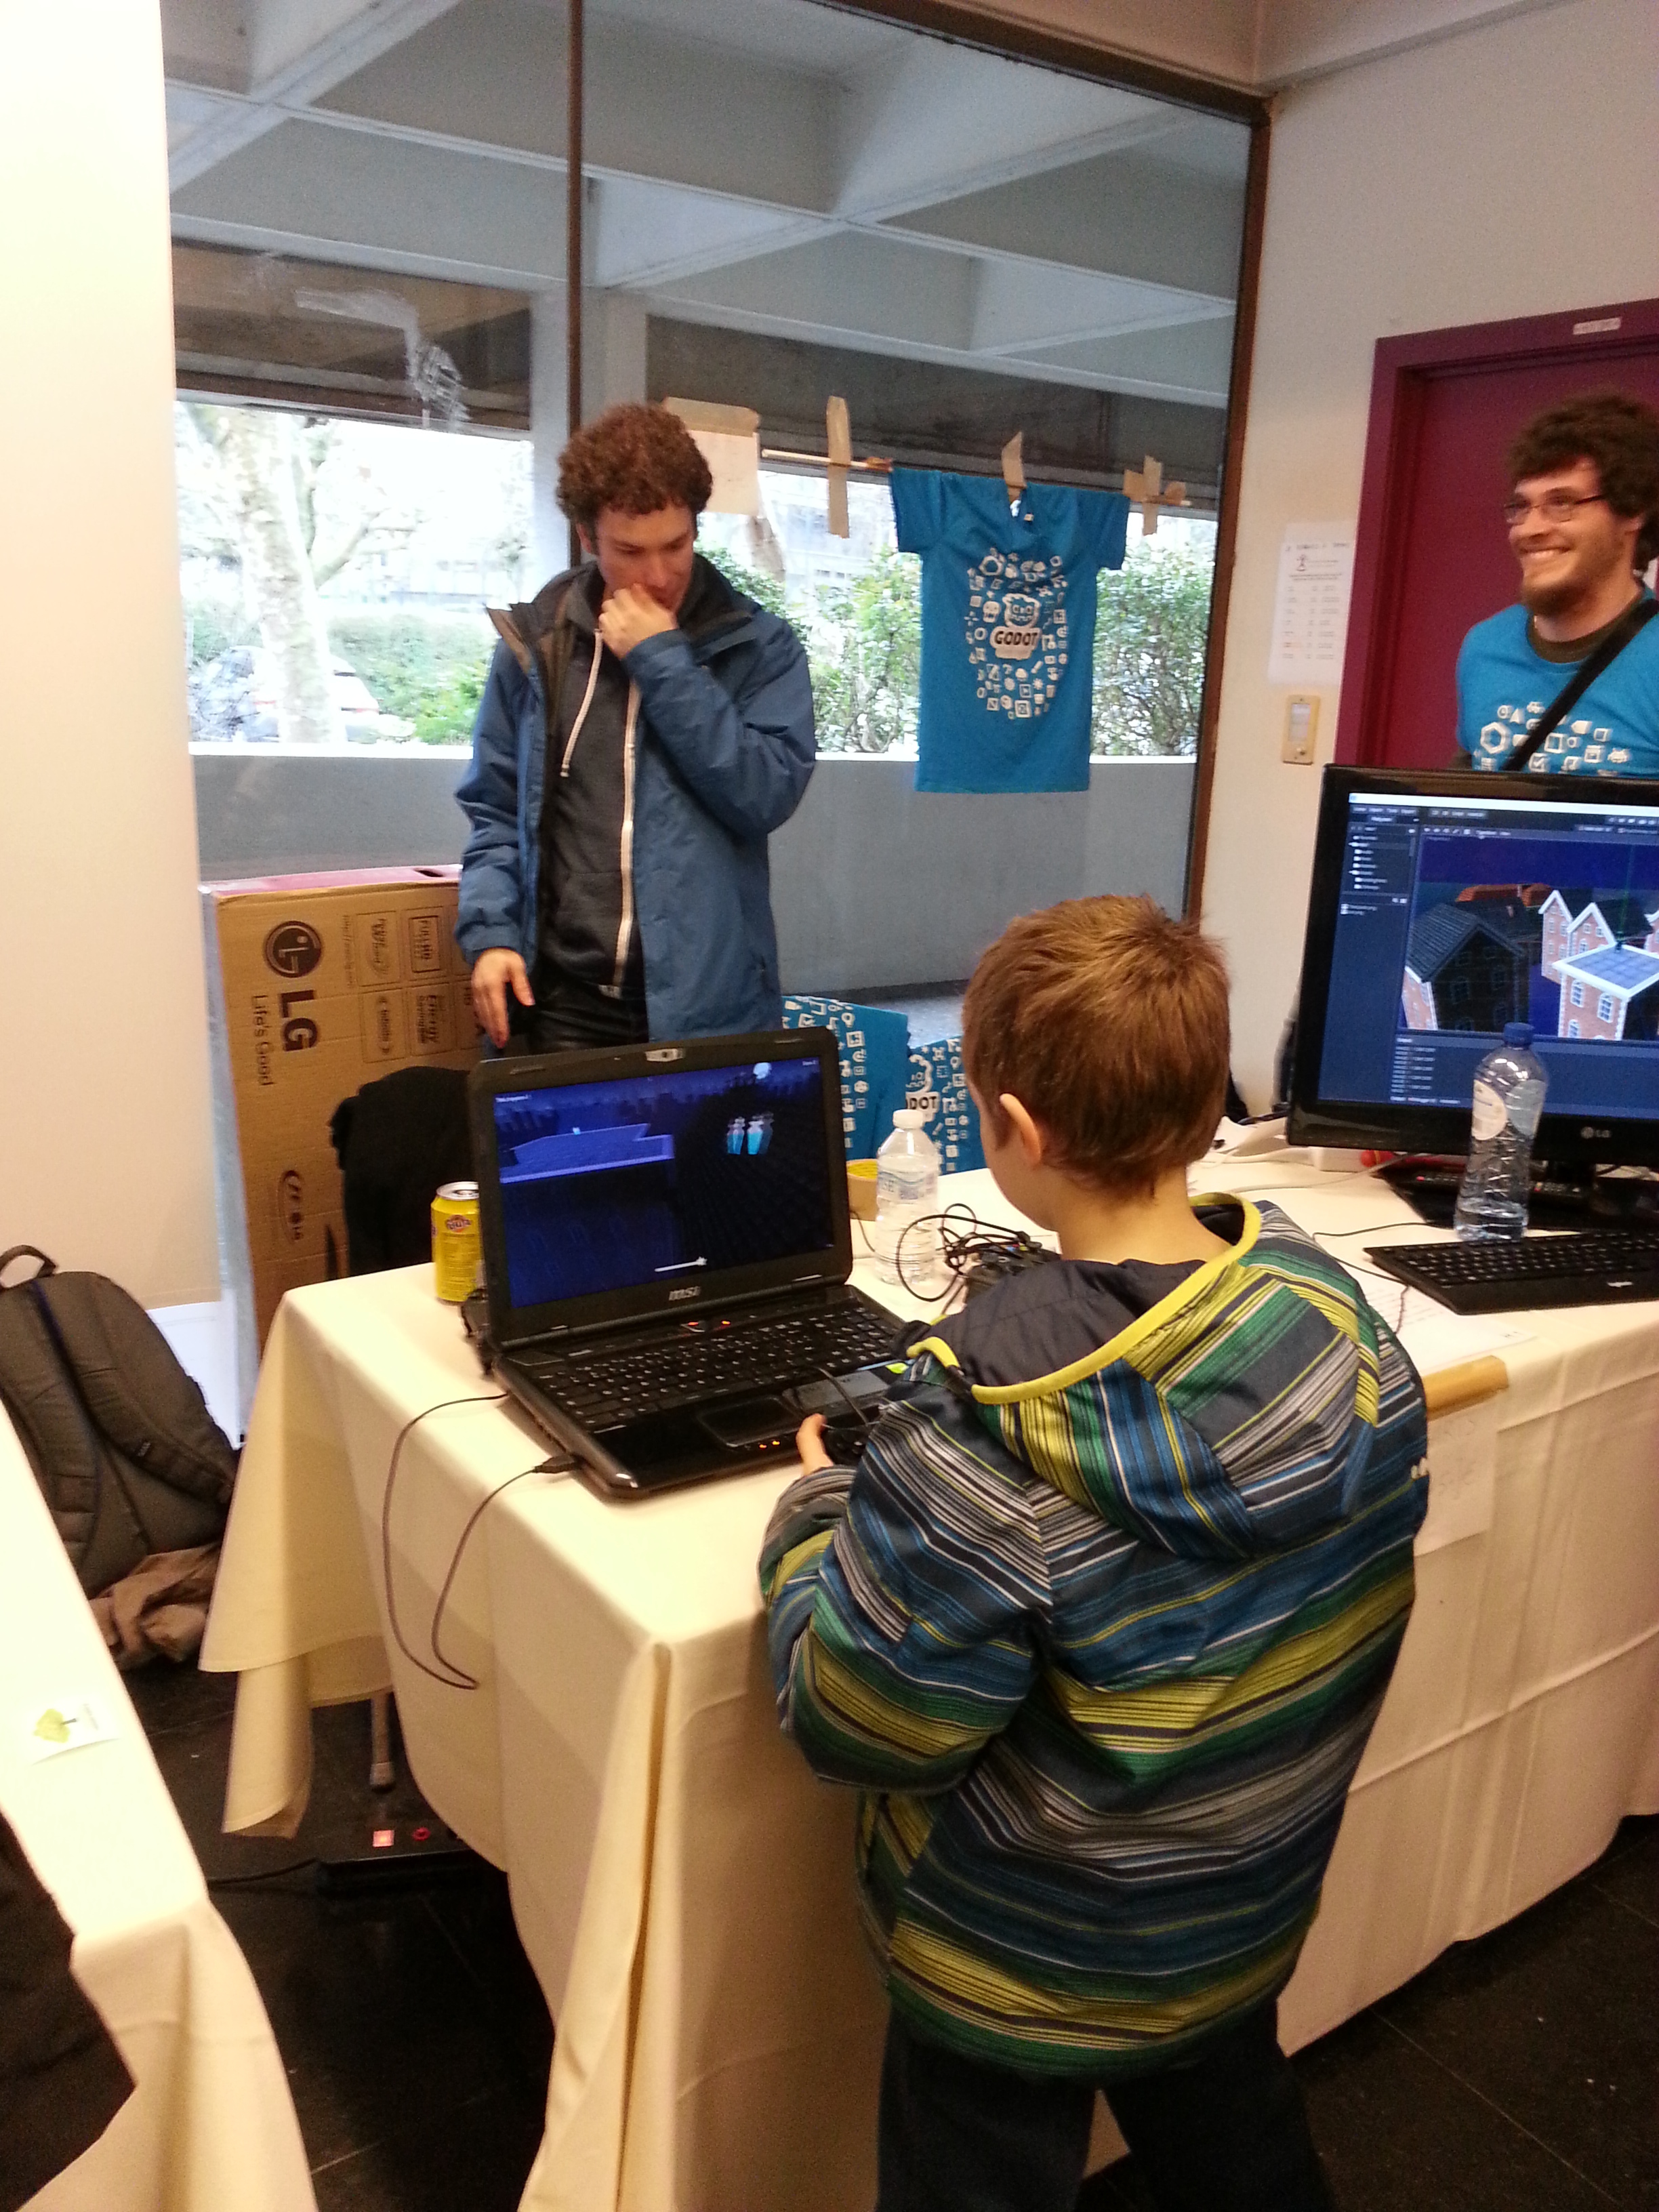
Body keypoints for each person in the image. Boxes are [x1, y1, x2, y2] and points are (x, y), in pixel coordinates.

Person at [759, 895, 1429, 2212]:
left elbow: (861, 1724)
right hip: (1233, 1907)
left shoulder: (984, 1436)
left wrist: (815, 1517)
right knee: (1236, 2137)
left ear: (1014, 1133)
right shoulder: (1336, 1322)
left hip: (1022, 1950)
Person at [455, 403, 815, 1051]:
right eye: (630, 551)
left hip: (709, 1002)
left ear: (697, 528)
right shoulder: (538, 647)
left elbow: (764, 794)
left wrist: (662, 661)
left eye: (675, 546)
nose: (657, 575)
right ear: (588, 538)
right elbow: (496, 811)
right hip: (561, 1003)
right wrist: (492, 935)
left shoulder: (759, 647)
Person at [1455, 390, 1659, 774]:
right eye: (1521, 507)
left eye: (1562, 503)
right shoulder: (1483, 648)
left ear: (1632, 512)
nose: (1530, 529)